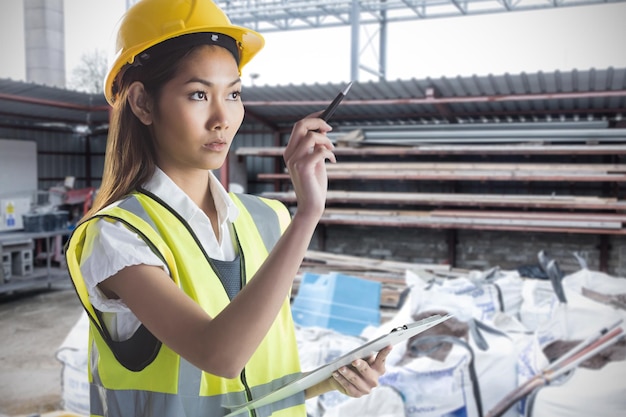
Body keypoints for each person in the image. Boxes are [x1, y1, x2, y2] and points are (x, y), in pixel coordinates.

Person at [64, 0, 391, 416]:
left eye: (233, 93)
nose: (223, 117)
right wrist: (309, 213)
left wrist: (332, 378)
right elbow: (219, 354)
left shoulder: (267, 219)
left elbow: (249, 383)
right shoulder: (119, 236)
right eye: (198, 94)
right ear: (143, 103)